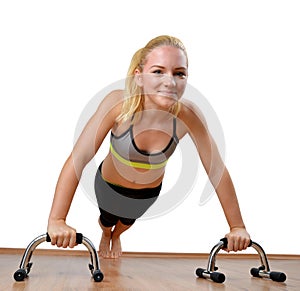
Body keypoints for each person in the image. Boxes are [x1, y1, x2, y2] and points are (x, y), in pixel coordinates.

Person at [47, 35, 251, 259]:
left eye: (179, 73)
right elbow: (79, 158)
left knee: (125, 223)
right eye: (158, 71)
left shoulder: (188, 116)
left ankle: (117, 236)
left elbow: (216, 170)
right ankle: (106, 234)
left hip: (147, 194)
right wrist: (57, 220)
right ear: (139, 77)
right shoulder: (118, 105)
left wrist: (237, 226)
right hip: (108, 187)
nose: (170, 82)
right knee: (107, 221)